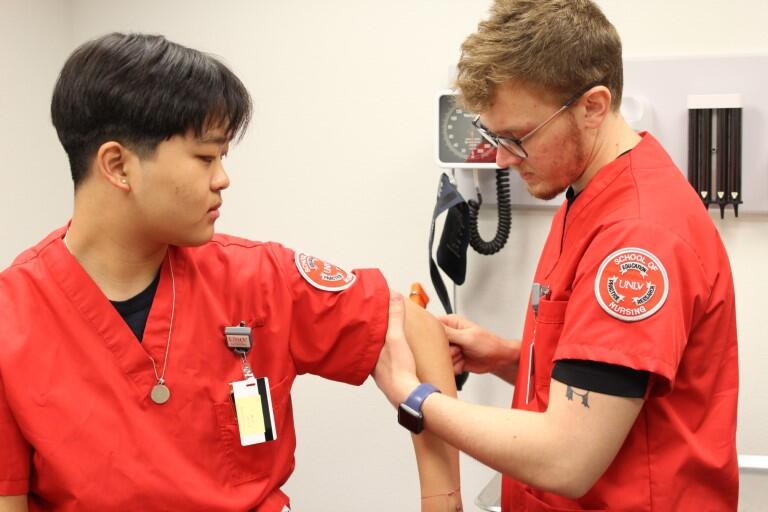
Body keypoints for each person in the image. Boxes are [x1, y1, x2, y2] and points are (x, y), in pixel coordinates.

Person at [0, 33, 463, 512]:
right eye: (206, 158)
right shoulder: (13, 318)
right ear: (118, 165)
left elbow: (414, 327)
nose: (223, 178)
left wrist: (442, 500)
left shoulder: (257, 278)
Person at [374, 1, 739, 510]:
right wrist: (508, 356)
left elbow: (568, 459)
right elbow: (606, 373)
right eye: (491, 137)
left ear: (592, 106)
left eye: (516, 138)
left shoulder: (637, 237)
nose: (501, 158)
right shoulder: (586, 193)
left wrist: (411, 396)